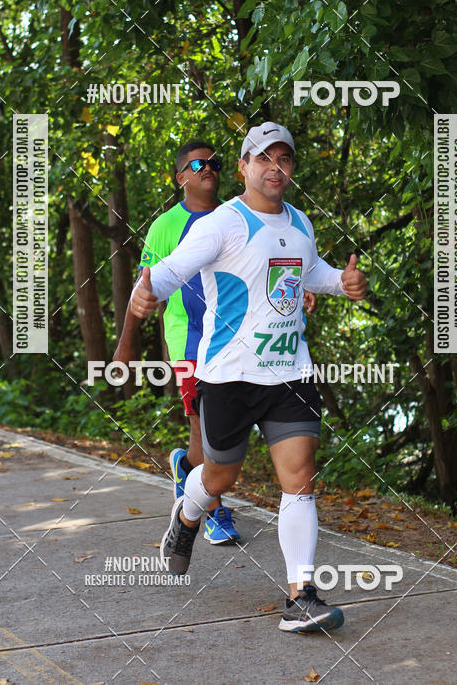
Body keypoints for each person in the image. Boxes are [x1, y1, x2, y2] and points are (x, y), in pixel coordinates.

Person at [129, 122, 368, 633]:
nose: (275, 167)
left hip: (290, 372)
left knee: (299, 478)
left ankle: (301, 594)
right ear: (244, 167)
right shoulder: (221, 223)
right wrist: (145, 293)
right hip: (229, 378)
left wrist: (341, 282)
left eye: (284, 159)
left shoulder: (300, 221)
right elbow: (169, 271)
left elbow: (308, 274)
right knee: (219, 478)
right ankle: (187, 516)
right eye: (263, 158)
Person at [114, 140, 241, 545]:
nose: (209, 169)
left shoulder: (237, 217)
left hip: (236, 338)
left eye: (215, 163)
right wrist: (125, 345)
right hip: (188, 339)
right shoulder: (165, 227)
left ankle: (185, 467)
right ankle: (215, 510)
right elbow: (145, 288)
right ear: (181, 177)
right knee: (208, 429)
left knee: (225, 432)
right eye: (198, 164)